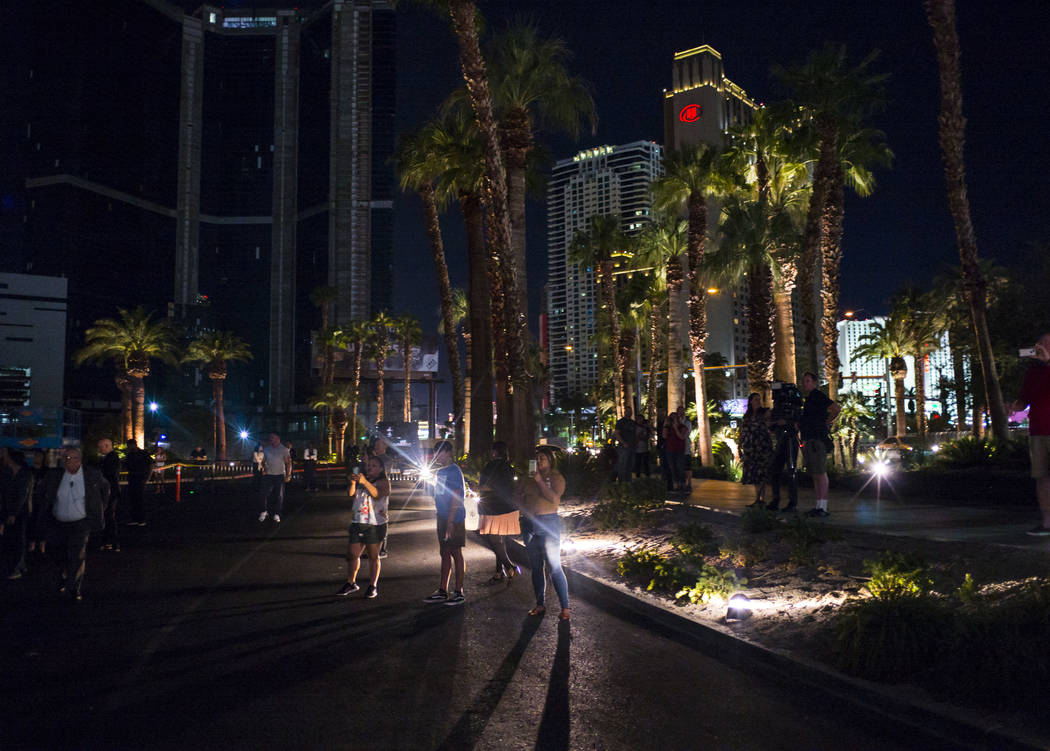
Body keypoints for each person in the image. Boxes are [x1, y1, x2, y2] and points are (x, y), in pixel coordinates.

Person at [44, 448, 107, 601]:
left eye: (70, 457)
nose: (66, 460)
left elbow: (106, 489)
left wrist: (99, 509)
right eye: (64, 457)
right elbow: (45, 495)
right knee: (58, 555)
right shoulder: (55, 475)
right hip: (58, 522)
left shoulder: (91, 475)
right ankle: (64, 576)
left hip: (80, 523)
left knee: (77, 556)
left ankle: (74, 588)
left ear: (79, 459)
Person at [520, 446, 570, 621]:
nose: (539, 461)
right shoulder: (528, 478)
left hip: (548, 524)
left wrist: (540, 480)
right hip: (529, 525)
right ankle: (540, 604)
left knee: (554, 566)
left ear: (550, 460)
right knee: (536, 567)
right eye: (537, 458)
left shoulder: (556, 477)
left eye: (542, 458)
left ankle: (565, 607)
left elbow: (554, 499)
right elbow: (520, 496)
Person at [1011, 333, 1050, 535]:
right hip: (1038, 431)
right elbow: (1023, 399)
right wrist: (1012, 407)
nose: (1040, 347)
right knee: (1042, 477)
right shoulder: (1033, 372)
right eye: (1039, 343)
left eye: (1046, 344)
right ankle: (1046, 523)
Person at [337, 455, 390, 597]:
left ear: (380, 469)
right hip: (358, 520)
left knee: (373, 556)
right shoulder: (361, 481)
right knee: (353, 555)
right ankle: (351, 582)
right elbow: (350, 493)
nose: (369, 468)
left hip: (375, 523)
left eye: (373, 466)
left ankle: (373, 586)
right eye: (368, 466)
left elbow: (377, 494)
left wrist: (365, 481)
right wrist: (353, 482)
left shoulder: (383, 482)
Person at [422, 440, 467, 606]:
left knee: (455, 552)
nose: (436, 456)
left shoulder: (454, 471)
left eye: (439, 452)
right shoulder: (440, 472)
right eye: (435, 453)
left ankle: (458, 591)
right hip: (442, 516)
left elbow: (455, 495)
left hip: (453, 518)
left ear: (448, 453)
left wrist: (450, 520)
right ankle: (442, 590)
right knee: (445, 552)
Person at [799, 372, 841, 517]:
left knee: (820, 473)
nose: (805, 384)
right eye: (804, 381)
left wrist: (827, 422)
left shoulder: (817, 395)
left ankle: (822, 506)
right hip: (811, 440)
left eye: (808, 381)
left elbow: (836, 408)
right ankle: (819, 505)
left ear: (815, 383)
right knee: (816, 473)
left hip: (817, 440)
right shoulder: (810, 398)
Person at [477, 442, 520, 582]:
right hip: (507, 507)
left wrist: (483, 488)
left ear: (495, 452)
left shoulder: (491, 466)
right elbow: (509, 486)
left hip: (493, 507)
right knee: (500, 540)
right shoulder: (508, 467)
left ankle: (509, 566)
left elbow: (485, 485)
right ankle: (498, 571)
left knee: (494, 540)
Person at [1, 449, 33, 579]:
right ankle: (20, 564)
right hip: (13, 511)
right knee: (17, 539)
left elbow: (21, 495)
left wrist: (13, 513)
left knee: (17, 539)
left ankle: (16, 567)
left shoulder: (23, 474)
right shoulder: (9, 472)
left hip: (20, 512)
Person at [739, 393, 773, 507]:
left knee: (761, 472)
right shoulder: (747, 416)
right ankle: (757, 498)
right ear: (751, 401)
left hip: (762, 446)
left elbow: (770, 422)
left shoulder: (764, 412)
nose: (758, 401)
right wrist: (740, 445)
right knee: (754, 473)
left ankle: (761, 498)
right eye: (755, 399)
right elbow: (743, 431)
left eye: (759, 399)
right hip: (750, 447)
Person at [258, 433, 291, 523]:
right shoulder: (266, 449)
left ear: (277, 438)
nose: (271, 439)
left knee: (279, 495)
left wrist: (288, 475)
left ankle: (277, 513)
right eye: (270, 437)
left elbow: (288, 463)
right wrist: (264, 468)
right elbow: (263, 461)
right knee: (263, 494)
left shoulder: (284, 450)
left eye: (272, 437)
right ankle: (264, 511)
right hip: (268, 475)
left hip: (279, 475)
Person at [96, 438, 121, 552]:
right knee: (108, 516)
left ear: (106, 446)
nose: (99, 449)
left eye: (100, 447)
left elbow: (108, 474)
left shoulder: (110, 458)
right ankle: (109, 541)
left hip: (110, 490)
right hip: (111, 489)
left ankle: (111, 542)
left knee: (108, 516)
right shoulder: (112, 457)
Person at [123, 439, 151, 526]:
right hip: (132, 478)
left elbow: (151, 464)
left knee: (140, 499)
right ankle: (135, 519)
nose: (128, 447)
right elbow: (126, 466)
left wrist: (148, 478)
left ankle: (141, 519)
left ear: (133, 445)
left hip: (140, 478)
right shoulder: (130, 455)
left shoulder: (143, 453)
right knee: (132, 499)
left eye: (129, 446)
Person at [663, 410, 688, 491]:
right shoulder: (668, 428)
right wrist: (665, 425)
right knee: (672, 468)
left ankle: (683, 484)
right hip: (669, 450)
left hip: (679, 450)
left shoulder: (683, 427)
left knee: (680, 468)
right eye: (672, 419)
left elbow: (681, 437)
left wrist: (676, 428)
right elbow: (664, 436)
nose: (673, 420)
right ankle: (676, 485)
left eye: (675, 418)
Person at [613, 406, 638, 482]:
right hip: (623, 447)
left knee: (630, 465)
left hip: (632, 446)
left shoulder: (633, 422)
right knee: (623, 465)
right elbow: (617, 434)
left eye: (630, 412)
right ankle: (622, 482)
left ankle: (628, 481)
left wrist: (635, 443)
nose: (629, 413)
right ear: (625, 412)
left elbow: (635, 434)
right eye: (628, 411)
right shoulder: (620, 422)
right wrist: (624, 443)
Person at [677, 405, 694, 492]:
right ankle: (681, 483)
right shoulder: (676, 421)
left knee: (687, 466)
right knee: (680, 466)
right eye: (679, 411)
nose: (680, 413)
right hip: (678, 447)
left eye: (682, 411)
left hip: (685, 447)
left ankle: (689, 483)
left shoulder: (687, 422)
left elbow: (684, 435)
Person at [634, 413, 652, 478]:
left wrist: (641, 436)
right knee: (638, 464)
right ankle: (638, 476)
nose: (639, 420)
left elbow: (648, 436)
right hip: (637, 449)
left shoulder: (646, 427)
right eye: (638, 419)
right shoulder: (634, 427)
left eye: (641, 419)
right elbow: (635, 437)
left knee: (646, 464)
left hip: (646, 448)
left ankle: (647, 476)